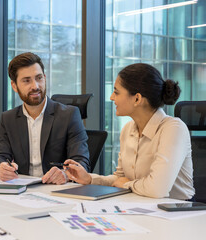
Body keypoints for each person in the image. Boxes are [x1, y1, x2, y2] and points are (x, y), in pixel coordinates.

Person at [64, 63, 195, 200]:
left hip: (176, 213)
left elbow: (157, 189)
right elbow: (119, 178)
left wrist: (126, 183)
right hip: (138, 207)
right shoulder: (128, 129)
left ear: (137, 99)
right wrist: (90, 179)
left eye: (116, 92)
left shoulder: (173, 129)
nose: (111, 97)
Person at [0, 52, 90, 185]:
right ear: (14, 86)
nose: (35, 86)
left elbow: (81, 161)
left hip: (57, 189)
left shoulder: (69, 115)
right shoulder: (8, 118)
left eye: (39, 78)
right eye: (26, 80)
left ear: (45, 78)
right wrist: (1, 168)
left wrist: (65, 174)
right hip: (23, 190)